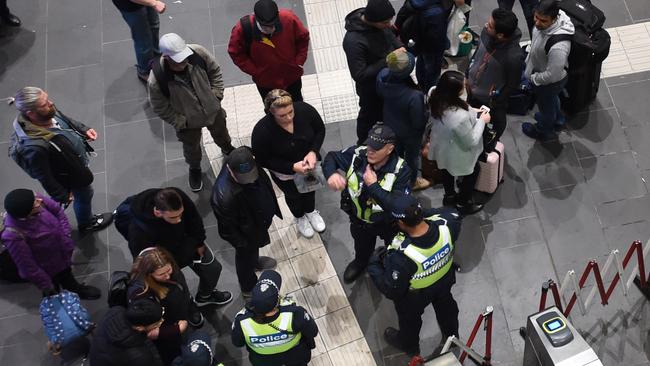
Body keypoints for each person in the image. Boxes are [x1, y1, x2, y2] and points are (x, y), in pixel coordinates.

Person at [367, 193, 461, 356]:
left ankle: (409, 346)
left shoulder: (402, 257)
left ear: (401, 222)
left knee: (409, 322)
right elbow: (450, 212)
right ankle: (452, 338)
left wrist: (374, 264)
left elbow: (391, 289)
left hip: (415, 297)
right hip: (444, 281)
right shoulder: (449, 225)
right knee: (447, 309)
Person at [10, 87, 113, 233]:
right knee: (84, 194)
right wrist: (62, 195)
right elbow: (43, 175)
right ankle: (86, 223)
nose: (51, 103)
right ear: (31, 114)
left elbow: (65, 119)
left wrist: (83, 129)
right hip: (69, 174)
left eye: (48, 100)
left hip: (73, 160)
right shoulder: (34, 147)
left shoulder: (47, 112)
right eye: (45, 104)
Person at [323, 123, 411, 283]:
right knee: (362, 247)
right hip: (359, 220)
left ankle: (389, 266)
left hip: (387, 223)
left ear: (390, 149)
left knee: (394, 249)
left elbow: (397, 205)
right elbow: (331, 157)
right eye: (369, 144)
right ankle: (361, 262)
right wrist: (331, 174)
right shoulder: (358, 154)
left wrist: (373, 186)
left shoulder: (401, 170)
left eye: (376, 148)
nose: (369, 150)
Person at [149, 33, 235, 191]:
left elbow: (215, 71)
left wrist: (216, 95)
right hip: (188, 123)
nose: (184, 62)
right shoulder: (157, 78)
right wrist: (180, 121)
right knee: (191, 148)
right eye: (178, 59)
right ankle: (195, 168)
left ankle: (227, 148)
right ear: (167, 57)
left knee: (222, 133)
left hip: (213, 111)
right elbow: (159, 106)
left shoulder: (198, 53)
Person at [127, 187, 232, 307]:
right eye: (172, 217)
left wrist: (199, 242)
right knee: (179, 289)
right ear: (157, 213)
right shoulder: (138, 232)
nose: (179, 220)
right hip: (167, 262)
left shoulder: (177, 196)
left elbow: (194, 218)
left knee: (213, 269)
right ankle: (190, 308)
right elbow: (143, 259)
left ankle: (205, 296)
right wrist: (163, 269)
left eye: (180, 214)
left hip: (189, 245)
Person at [251, 89, 326, 238]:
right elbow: (262, 159)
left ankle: (311, 212)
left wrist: (313, 152)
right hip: (285, 174)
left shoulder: (305, 110)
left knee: (310, 190)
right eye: (282, 115)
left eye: (291, 112)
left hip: (309, 165)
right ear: (271, 113)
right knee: (292, 196)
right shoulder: (262, 131)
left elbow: (320, 130)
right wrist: (291, 167)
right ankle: (300, 217)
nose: (289, 117)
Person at [1, 189, 101, 299]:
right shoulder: (13, 235)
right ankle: (57, 299)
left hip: (62, 254)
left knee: (67, 275)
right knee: (53, 289)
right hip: (47, 267)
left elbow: (58, 211)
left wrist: (66, 234)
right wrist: (46, 285)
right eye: (35, 203)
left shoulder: (35, 199)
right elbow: (28, 267)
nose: (39, 200)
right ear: (26, 213)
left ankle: (76, 290)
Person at [211, 147, 281, 297]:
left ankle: (255, 261)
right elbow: (227, 230)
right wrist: (243, 244)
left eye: (251, 174)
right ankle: (248, 288)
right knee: (244, 258)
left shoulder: (248, 157)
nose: (250, 180)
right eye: (243, 177)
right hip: (245, 234)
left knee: (253, 250)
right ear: (230, 169)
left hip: (256, 221)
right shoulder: (223, 196)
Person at [427, 70, 489, 215]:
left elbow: (456, 106)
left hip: (440, 144)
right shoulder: (459, 118)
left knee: (445, 170)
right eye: (462, 87)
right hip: (457, 151)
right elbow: (471, 141)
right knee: (473, 172)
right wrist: (482, 121)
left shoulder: (433, 93)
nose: (465, 88)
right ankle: (463, 203)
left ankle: (449, 196)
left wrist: (472, 110)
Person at [128, 247, 202, 365]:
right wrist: (177, 329)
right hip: (168, 332)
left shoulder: (171, 269)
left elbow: (182, 288)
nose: (167, 276)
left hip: (180, 317)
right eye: (161, 274)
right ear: (149, 274)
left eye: (169, 270)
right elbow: (149, 330)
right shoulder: (140, 294)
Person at [343, 0, 402, 145]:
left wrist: (399, 47)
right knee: (368, 116)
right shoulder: (353, 41)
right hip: (371, 89)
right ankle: (362, 143)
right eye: (385, 22)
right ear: (371, 20)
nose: (388, 25)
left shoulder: (380, 22)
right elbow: (359, 74)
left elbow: (389, 36)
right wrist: (388, 59)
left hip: (388, 80)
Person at [228, 0, 310, 102]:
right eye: (265, 26)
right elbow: (235, 53)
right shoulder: (242, 29)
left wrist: (299, 61)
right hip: (266, 82)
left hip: (291, 76)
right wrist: (256, 71)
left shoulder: (289, 19)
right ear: (256, 19)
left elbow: (303, 38)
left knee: (297, 103)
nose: (269, 29)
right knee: (272, 108)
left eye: (272, 25)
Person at [232, 270, 319, 366]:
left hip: (263, 361)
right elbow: (313, 331)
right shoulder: (294, 314)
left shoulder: (242, 321)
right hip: (295, 356)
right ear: (277, 301)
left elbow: (237, 343)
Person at [376, 49, 429, 190]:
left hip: (390, 126)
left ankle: (394, 179)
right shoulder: (414, 95)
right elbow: (418, 122)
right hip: (410, 135)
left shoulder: (381, 77)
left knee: (395, 156)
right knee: (412, 158)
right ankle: (411, 183)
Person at [521, 0, 574, 141]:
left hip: (549, 82)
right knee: (551, 100)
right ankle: (558, 120)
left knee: (545, 107)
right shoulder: (546, 26)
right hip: (545, 75)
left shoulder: (558, 47)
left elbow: (552, 75)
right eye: (536, 17)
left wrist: (534, 79)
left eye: (543, 20)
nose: (537, 23)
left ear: (554, 19)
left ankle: (544, 130)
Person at [467, 8, 524, 140]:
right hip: (472, 89)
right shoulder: (486, 33)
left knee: (498, 122)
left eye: (491, 26)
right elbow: (477, 55)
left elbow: (512, 84)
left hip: (490, 100)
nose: (486, 25)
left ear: (500, 35)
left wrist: (496, 101)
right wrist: (467, 74)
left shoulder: (513, 57)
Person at [395, 0, 457, 93]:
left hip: (418, 41)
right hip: (432, 48)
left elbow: (402, 14)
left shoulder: (415, 2)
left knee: (421, 63)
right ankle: (429, 93)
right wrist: (445, 44)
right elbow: (437, 37)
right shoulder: (437, 12)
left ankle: (421, 86)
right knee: (432, 72)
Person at [89, 299, 165, 366]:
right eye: (156, 323)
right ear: (139, 327)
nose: (161, 322)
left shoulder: (115, 311)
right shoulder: (140, 356)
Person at [111, 0, 166, 81]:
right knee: (143, 39)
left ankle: (156, 57)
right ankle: (145, 71)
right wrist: (154, 3)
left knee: (154, 26)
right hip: (131, 6)